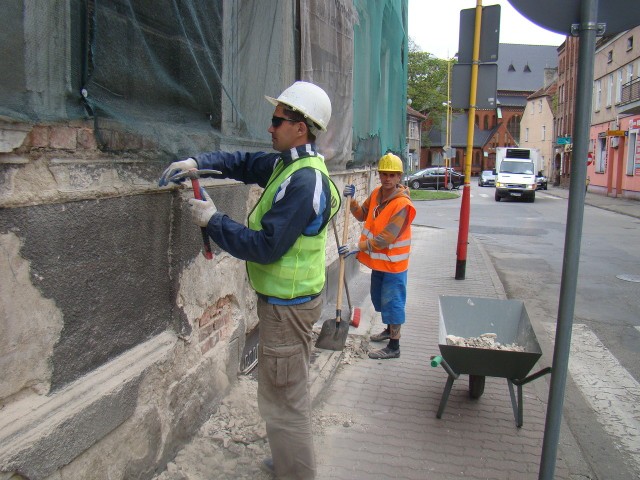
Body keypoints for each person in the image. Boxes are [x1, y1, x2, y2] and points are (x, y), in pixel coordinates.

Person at [158, 81, 340, 480]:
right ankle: (288, 458)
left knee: (284, 397)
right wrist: (197, 162)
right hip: (287, 302)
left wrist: (213, 221)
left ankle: (296, 472)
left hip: (287, 308)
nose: (270, 127)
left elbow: (266, 247)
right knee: (281, 389)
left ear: (301, 128)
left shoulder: (304, 180)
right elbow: (241, 162)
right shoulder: (287, 164)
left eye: (278, 120)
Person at [339, 153, 416, 359]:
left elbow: (386, 238)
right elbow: (363, 214)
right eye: (384, 174)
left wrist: (359, 247)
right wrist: (352, 200)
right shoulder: (376, 194)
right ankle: (389, 330)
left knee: (393, 303)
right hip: (380, 263)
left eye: (392, 175)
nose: (387, 178)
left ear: (399, 177)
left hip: (394, 265)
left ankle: (394, 346)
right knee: (379, 300)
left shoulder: (402, 204)